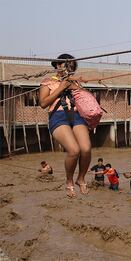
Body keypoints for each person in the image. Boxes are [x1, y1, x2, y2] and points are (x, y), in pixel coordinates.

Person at [39, 53, 91, 198]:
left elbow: (83, 99)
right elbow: (43, 103)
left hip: (76, 116)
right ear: (57, 66)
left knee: (86, 149)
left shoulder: (75, 82)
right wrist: (61, 87)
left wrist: (76, 85)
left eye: (71, 67)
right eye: (65, 65)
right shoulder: (47, 81)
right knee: (74, 150)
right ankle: (69, 182)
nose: (68, 69)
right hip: (58, 117)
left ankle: (81, 178)